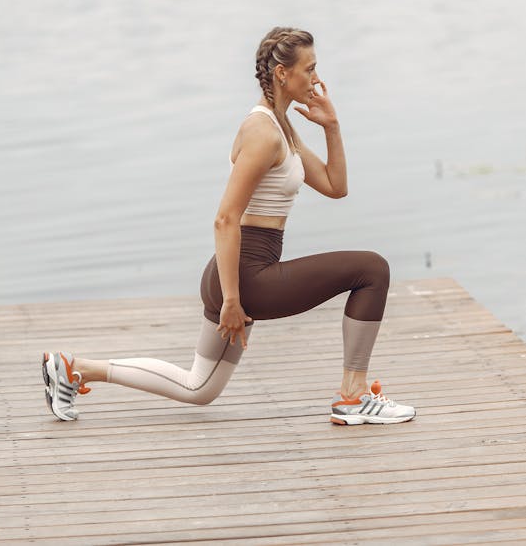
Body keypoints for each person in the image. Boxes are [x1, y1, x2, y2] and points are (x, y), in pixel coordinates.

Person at [42, 27, 415, 426]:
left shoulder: (281, 128)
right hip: (245, 275)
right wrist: (233, 301)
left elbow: (335, 186)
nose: (316, 79)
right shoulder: (262, 132)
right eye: (310, 69)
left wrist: (332, 127)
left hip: (238, 272)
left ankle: (74, 368)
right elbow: (225, 218)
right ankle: (354, 396)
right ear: (282, 74)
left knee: (198, 388)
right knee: (371, 269)